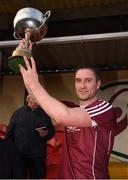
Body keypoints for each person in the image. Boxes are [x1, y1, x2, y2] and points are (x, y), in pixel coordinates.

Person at [19, 40, 117, 179]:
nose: (82, 85)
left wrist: (35, 84)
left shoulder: (104, 109)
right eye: (78, 80)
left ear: (98, 84)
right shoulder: (70, 107)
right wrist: (25, 57)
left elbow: (63, 116)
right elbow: (35, 97)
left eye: (88, 80)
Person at [6, 94, 55, 179]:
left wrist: (47, 133)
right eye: (37, 99)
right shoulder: (18, 113)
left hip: (38, 156)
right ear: (29, 100)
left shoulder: (44, 114)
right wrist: (9, 152)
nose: (39, 100)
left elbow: (52, 131)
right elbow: (9, 133)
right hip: (20, 155)